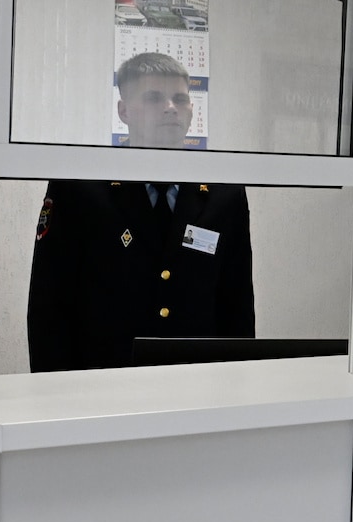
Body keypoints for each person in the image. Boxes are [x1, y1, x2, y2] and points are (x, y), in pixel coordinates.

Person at [26, 52, 254, 371]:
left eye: (180, 99)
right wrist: (53, 391)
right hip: (104, 382)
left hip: (197, 380)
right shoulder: (81, 187)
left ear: (191, 110)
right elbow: (50, 306)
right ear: (123, 111)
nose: (170, 107)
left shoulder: (223, 192)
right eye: (153, 98)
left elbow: (236, 305)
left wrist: (238, 383)